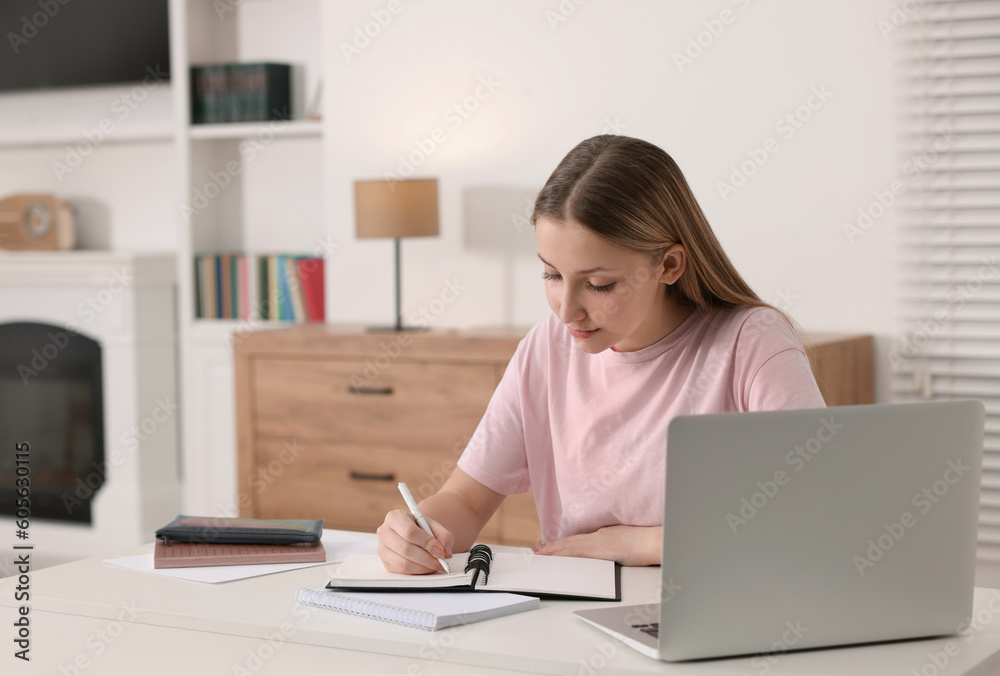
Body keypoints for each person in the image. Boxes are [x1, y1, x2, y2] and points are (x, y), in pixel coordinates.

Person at [376, 134, 825, 574]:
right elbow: (466, 500)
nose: (567, 310)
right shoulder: (546, 346)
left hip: (714, 601)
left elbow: (816, 515)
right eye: (551, 275)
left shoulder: (752, 341)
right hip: (573, 609)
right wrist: (420, 532)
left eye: (599, 284)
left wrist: (650, 543)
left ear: (669, 265)